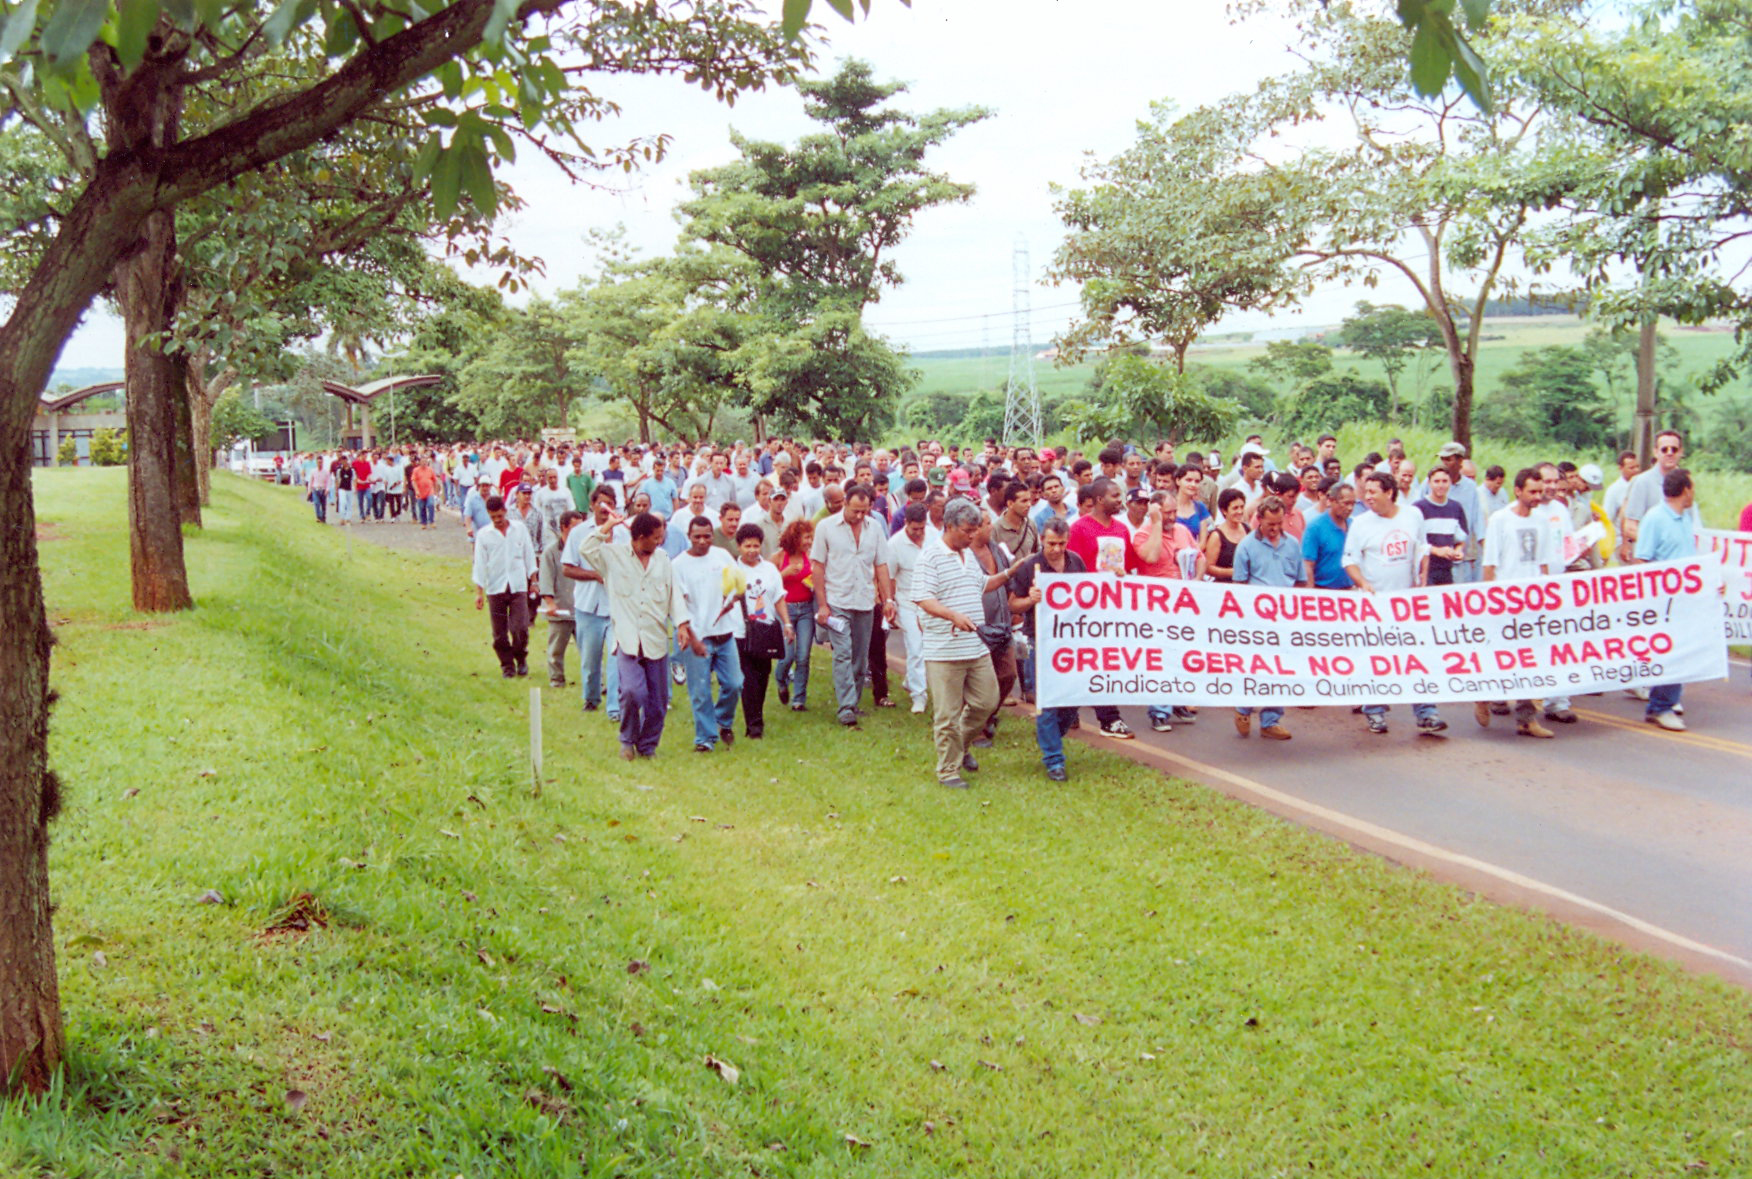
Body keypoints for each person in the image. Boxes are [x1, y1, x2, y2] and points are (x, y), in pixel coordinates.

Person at [578, 509, 697, 759]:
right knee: (632, 692)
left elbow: (674, 594)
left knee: (658, 701)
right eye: (654, 537)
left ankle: (647, 746)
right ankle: (627, 739)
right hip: (627, 638)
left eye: (661, 536)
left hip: (655, 639)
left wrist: (682, 625)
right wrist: (607, 525)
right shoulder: (614, 556)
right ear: (639, 536)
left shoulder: (663, 559)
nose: (659, 541)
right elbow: (586, 549)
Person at [1343, 473, 1447, 736]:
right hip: (1375, 606)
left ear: (1389, 493)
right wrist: (1363, 583)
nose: (1367, 497)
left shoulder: (1413, 516)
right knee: (1375, 659)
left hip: (1408, 604)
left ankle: (1426, 712)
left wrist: (1422, 577)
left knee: (1417, 657)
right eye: (1365, 491)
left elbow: (1422, 549)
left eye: (1372, 492)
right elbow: (1349, 561)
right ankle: (1375, 711)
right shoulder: (1360, 524)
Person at [913, 498, 1006, 789]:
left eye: (975, 530)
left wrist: (1011, 573)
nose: (972, 536)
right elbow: (923, 598)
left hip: (975, 647)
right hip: (944, 651)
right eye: (967, 531)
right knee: (946, 714)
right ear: (949, 526)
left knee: (986, 702)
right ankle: (948, 771)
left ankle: (960, 745)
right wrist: (952, 615)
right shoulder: (931, 557)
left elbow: (981, 585)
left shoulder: (968, 556)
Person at [1478, 468, 1559, 739]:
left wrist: (1545, 597)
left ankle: (1526, 718)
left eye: (1540, 491)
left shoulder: (1542, 521)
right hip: (1504, 600)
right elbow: (1490, 564)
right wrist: (1490, 601)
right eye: (1532, 492)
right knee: (1500, 655)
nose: (1538, 496)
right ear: (1518, 491)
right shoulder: (1501, 520)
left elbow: (1543, 562)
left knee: (1531, 659)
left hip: (1532, 602)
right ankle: (1484, 695)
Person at [811, 484, 896, 729]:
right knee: (843, 653)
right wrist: (823, 604)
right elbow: (818, 566)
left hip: (865, 600)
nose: (859, 516)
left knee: (860, 657)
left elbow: (881, 565)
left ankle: (854, 700)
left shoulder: (875, 528)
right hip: (837, 600)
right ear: (845, 504)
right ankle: (846, 707)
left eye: (864, 511)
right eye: (855, 511)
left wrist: (888, 599)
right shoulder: (826, 528)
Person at [1009, 517, 1086, 781]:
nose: (1056, 549)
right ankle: (1054, 759)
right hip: (1040, 641)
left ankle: (1052, 734)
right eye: (1051, 543)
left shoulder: (1076, 562)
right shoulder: (1030, 566)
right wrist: (1030, 599)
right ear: (1042, 539)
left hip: (1071, 642)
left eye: (1061, 543)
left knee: (1072, 700)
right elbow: (1012, 605)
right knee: (1046, 702)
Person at [1065, 478, 1139, 740]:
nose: (1120, 500)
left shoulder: (1121, 530)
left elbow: (1128, 567)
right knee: (1087, 661)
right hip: (1087, 607)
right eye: (1115, 496)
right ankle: (1108, 717)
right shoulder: (1080, 529)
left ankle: (1093, 712)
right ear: (1098, 500)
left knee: (1105, 661)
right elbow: (1071, 568)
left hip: (1113, 607)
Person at [1231, 495, 1304, 740]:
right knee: (1256, 667)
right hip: (1257, 620)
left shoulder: (1292, 544)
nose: (1275, 529)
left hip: (1286, 618)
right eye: (1270, 524)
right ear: (1258, 520)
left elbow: (1301, 581)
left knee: (1281, 670)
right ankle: (1243, 709)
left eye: (1279, 523)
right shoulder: (1246, 546)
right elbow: (1239, 584)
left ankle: (1271, 719)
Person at [1633, 468, 1700, 731]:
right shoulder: (1655, 519)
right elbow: (1643, 559)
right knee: (1670, 651)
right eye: (1692, 487)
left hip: (1685, 598)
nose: (1693, 493)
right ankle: (1660, 706)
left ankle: (1665, 702)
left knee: (1680, 651)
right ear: (1685, 490)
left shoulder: (1684, 517)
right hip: (1664, 600)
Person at [562, 488, 623, 715]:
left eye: (610, 503)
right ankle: (591, 697)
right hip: (588, 607)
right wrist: (595, 576)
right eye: (601, 503)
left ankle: (615, 708)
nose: (605, 508)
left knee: (617, 657)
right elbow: (567, 568)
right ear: (592, 506)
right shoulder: (579, 533)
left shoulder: (622, 532)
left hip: (616, 607)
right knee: (590, 662)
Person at [732, 523, 791, 739]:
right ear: (739, 546)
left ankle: (757, 714)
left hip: (765, 630)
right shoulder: (733, 570)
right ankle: (754, 725)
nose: (752, 550)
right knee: (747, 679)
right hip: (741, 632)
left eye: (756, 546)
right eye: (747, 546)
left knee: (762, 675)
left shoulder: (770, 569)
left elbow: (778, 598)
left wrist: (787, 623)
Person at [471, 494, 538, 679]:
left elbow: (529, 555)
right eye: (493, 517)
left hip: (517, 586)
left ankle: (520, 657)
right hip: (495, 587)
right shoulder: (484, 535)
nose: (498, 520)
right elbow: (479, 564)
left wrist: (534, 581)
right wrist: (479, 592)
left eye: (500, 516)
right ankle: (507, 665)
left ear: (505, 511)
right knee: (499, 634)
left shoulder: (519, 529)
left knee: (520, 629)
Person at [538, 510, 584, 688]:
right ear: (564, 527)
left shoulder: (584, 549)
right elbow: (546, 579)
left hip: (581, 608)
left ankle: (599, 683)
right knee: (556, 649)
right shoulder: (551, 551)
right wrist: (550, 603)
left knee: (588, 650)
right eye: (575, 527)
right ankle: (556, 679)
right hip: (560, 608)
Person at [773, 519, 816, 712]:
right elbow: (767, 584)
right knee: (787, 656)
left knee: (803, 655)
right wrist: (784, 573)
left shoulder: (811, 558)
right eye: (806, 537)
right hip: (786, 611)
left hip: (806, 609)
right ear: (795, 538)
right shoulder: (780, 557)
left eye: (810, 537)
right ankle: (781, 679)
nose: (809, 541)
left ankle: (799, 699)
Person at [1413, 466, 1468, 586]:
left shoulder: (1456, 508)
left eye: (1444, 481)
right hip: (1425, 569)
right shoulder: (1418, 508)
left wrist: (1458, 551)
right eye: (1436, 481)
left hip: (1447, 569)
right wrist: (1437, 551)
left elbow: (1461, 538)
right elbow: (1414, 541)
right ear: (1429, 483)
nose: (1441, 485)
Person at [1302, 480, 1356, 589]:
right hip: (1324, 591)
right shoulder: (1315, 527)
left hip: (1350, 591)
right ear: (1331, 501)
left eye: (1353, 504)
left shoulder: (1354, 525)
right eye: (1346, 503)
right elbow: (1308, 564)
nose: (1350, 508)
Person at [1203, 488, 1249, 583]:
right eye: (1235, 508)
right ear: (1224, 511)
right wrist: (1232, 572)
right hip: (1224, 585)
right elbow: (1208, 567)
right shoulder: (1217, 535)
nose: (1240, 511)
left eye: (1242, 507)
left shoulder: (1247, 529)